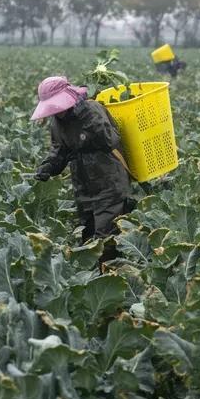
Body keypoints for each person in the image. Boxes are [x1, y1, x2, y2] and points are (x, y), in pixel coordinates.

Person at [32, 76, 133, 266]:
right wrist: (48, 166)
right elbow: (59, 151)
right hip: (83, 187)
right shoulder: (57, 121)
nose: (57, 112)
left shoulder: (92, 110)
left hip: (109, 183)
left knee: (105, 241)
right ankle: (90, 279)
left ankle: (110, 278)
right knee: (87, 239)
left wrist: (86, 117)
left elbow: (110, 140)